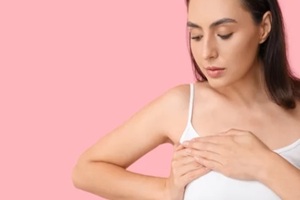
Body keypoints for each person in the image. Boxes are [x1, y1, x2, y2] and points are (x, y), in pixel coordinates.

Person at [72, 0, 300, 199]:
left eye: (224, 34)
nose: (206, 52)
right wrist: (164, 191)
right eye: (197, 36)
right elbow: (86, 171)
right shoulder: (181, 106)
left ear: (264, 27)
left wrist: (264, 164)